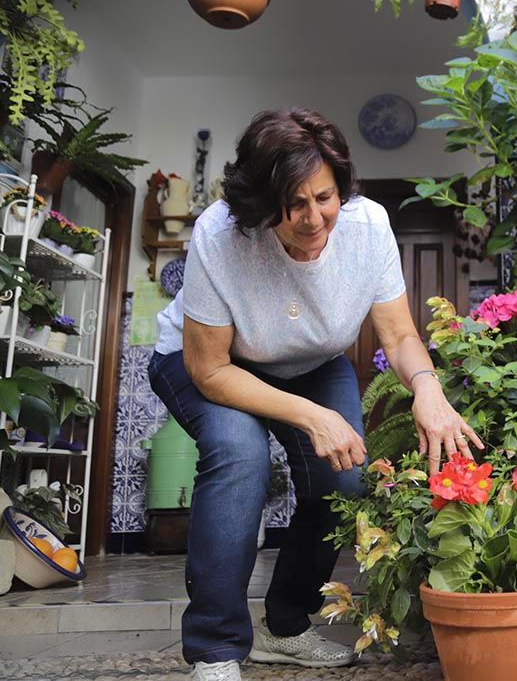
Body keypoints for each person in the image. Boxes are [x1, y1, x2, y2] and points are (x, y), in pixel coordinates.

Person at [147, 108, 483, 681]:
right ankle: (216, 648)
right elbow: (209, 370)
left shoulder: (368, 226)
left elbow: (400, 335)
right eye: (293, 204)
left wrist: (427, 387)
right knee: (240, 455)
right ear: (261, 203)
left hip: (310, 362)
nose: (312, 218)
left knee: (342, 481)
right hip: (211, 363)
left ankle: (283, 627)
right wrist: (311, 416)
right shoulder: (221, 235)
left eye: (324, 198)